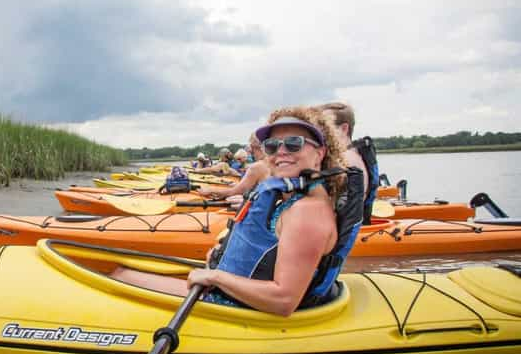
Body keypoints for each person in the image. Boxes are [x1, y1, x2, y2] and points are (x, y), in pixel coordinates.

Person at [110, 106, 357, 316]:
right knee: (121, 271)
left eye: (294, 143)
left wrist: (216, 277)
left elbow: (284, 301)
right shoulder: (296, 198)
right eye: (271, 145)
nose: (281, 151)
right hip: (234, 297)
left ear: (320, 154)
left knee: (120, 276)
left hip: (235, 309)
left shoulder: (307, 213)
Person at [317, 101, 379, 223]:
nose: (318, 132)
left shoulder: (346, 160)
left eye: (324, 127)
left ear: (344, 128)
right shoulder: (355, 155)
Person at [198, 133, 268, 202]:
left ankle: (197, 170)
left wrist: (211, 190)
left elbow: (235, 192)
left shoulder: (257, 166)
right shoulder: (275, 165)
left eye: (252, 146)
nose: (250, 150)